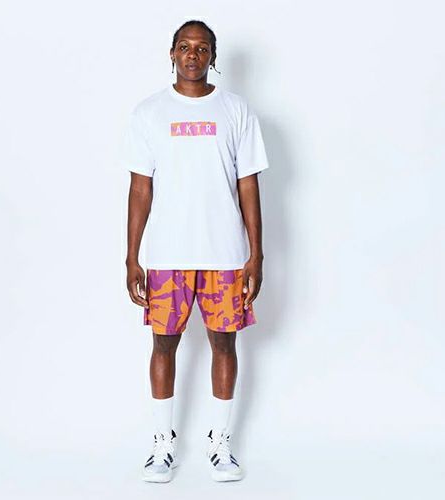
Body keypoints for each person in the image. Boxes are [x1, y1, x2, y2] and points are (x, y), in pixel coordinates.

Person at [122, 20, 270, 483]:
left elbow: (249, 185)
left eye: (202, 48)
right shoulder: (149, 113)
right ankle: (162, 444)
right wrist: (131, 257)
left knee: (224, 342)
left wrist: (256, 254)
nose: (192, 55)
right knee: (163, 344)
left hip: (224, 254)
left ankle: (220, 443)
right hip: (168, 254)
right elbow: (140, 189)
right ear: (171, 53)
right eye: (184, 47)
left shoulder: (236, 110)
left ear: (213, 57)